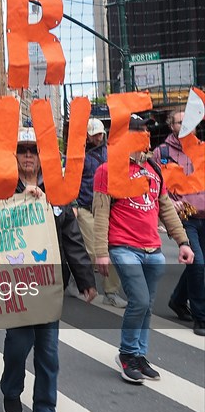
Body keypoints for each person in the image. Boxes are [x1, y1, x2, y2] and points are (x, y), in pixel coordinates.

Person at [0, 129, 97, 412]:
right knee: (18, 344)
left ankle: (44, 405)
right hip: (15, 282)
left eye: (34, 149)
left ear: (44, 157)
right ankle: (11, 391)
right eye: (23, 149)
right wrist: (19, 203)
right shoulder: (0, 190)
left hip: (50, 284)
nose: (28, 155)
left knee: (48, 350)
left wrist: (85, 279)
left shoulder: (57, 192)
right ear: (13, 154)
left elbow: (72, 238)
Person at [92, 115, 194, 383]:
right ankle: (126, 354)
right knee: (138, 300)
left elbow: (166, 209)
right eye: (137, 132)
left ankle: (138, 354)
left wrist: (183, 242)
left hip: (153, 249)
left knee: (146, 305)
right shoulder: (108, 170)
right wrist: (100, 252)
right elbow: (101, 214)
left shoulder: (154, 169)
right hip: (124, 247)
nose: (144, 136)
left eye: (145, 131)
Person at [153, 110, 205, 334]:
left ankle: (177, 299)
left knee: (200, 264)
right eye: (180, 122)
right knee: (198, 263)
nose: (186, 125)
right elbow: (155, 184)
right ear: (171, 125)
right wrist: (169, 204)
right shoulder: (161, 152)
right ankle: (201, 317)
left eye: (189, 121)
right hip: (184, 218)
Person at [74, 118, 126, 307]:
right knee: (93, 251)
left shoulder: (109, 153)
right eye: (95, 133)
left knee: (109, 250)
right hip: (85, 206)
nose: (98, 136)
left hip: (106, 208)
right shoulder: (78, 154)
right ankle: (79, 278)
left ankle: (111, 292)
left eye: (100, 133)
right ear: (87, 135)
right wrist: (73, 204)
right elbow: (72, 180)